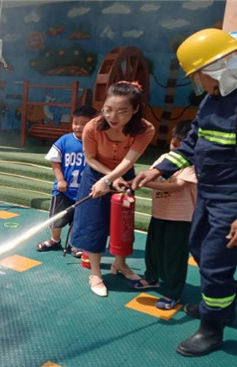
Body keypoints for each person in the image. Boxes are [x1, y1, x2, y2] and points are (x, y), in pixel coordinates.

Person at [132, 28, 237, 356]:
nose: (199, 84)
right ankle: (222, 307)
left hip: (236, 199)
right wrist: (159, 168)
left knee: (215, 260)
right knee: (200, 248)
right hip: (210, 193)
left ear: (219, 68)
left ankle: (212, 328)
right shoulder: (215, 97)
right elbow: (194, 143)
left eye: (199, 76)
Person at [70, 81, 155, 297]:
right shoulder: (93, 127)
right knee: (93, 224)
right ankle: (96, 274)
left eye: (122, 111)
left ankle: (120, 264)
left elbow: (129, 161)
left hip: (123, 175)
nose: (113, 117)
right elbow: (90, 158)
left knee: (122, 224)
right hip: (95, 175)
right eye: (108, 109)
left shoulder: (145, 129)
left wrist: (112, 179)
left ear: (135, 110)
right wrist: (107, 179)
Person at [129, 121, 196, 310]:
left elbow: (178, 185)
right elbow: (152, 175)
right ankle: (152, 277)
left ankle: (173, 292)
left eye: (181, 148)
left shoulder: (193, 161)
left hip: (181, 218)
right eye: (174, 145)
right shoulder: (164, 159)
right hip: (160, 213)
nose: (176, 151)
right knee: (153, 249)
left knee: (173, 256)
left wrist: (145, 184)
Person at [37, 105, 97, 254]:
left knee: (79, 221)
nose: (78, 127)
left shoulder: (95, 143)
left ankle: (75, 245)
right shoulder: (64, 140)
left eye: (83, 124)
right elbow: (54, 161)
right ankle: (54, 240)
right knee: (57, 219)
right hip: (64, 190)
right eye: (76, 122)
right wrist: (61, 179)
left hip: (85, 192)